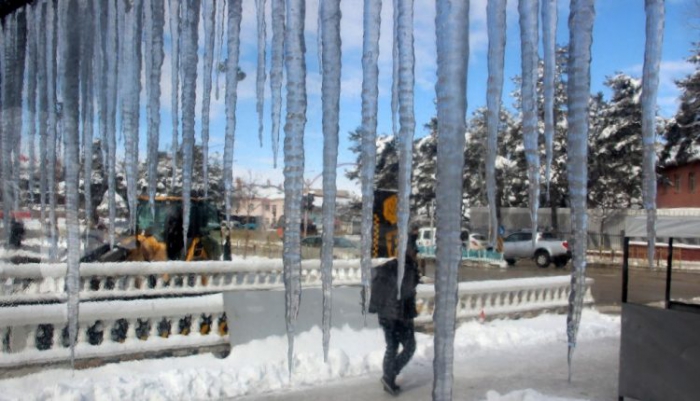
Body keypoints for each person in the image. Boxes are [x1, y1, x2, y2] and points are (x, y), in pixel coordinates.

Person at [369, 232, 421, 396]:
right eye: (415, 250)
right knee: (408, 346)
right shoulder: (407, 267)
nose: (417, 253)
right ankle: (389, 376)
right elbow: (406, 291)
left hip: (388, 314)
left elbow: (376, 276)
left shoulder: (394, 265)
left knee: (392, 346)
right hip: (397, 315)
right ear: (409, 250)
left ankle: (388, 377)